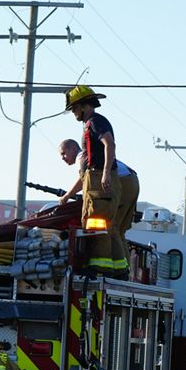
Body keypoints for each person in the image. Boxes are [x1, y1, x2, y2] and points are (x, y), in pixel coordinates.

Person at [64, 85, 127, 276]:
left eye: (74, 108)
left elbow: (109, 144)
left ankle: (100, 268)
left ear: (84, 106)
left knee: (96, 224)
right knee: (108, 226)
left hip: (99, 178)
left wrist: (106, 172)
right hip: (99, 178)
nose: (74, 113)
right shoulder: (93, 123)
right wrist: (67, 195)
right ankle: (119, 269)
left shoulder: (94, 122)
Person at [57, 138, 140, 275]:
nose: (63, 158)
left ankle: (110, 268)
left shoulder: (82, 157)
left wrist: (66, 196)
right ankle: (124, 269)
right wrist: (68, 195)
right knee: (118, 229)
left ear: (73, 148)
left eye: (63, 153)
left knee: (108, 225)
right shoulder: (89, 157)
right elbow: (85, 181)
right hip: (131, 182)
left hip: (122, 183)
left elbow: (85, 180)